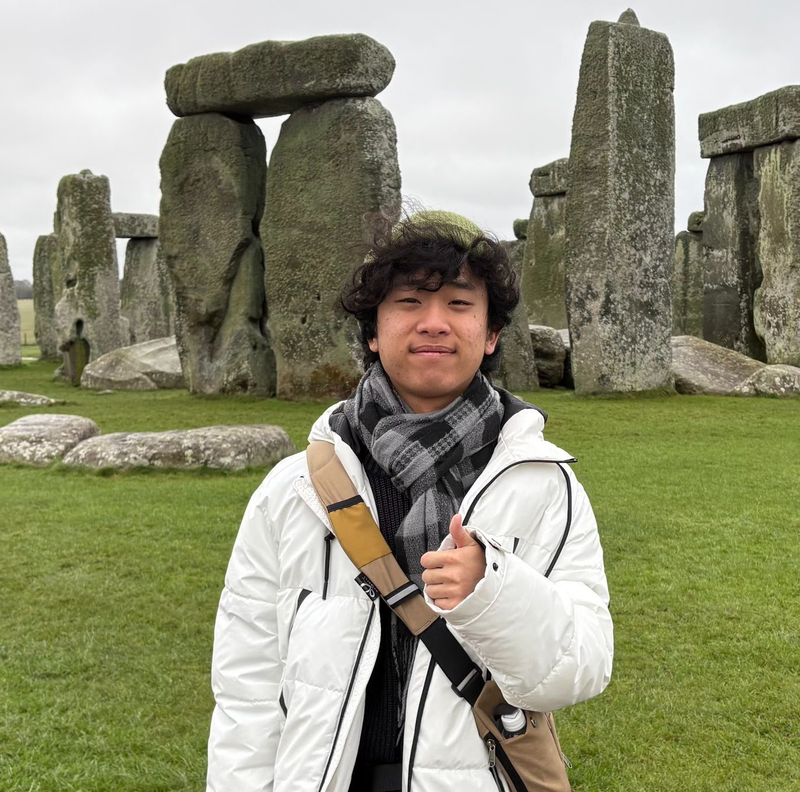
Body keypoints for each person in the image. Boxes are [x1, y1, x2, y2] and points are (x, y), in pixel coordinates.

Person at [206, 211, 613, 792]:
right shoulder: (292, 492)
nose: (433, 323)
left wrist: (493, 591)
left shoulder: (545, 487)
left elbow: (581, 668)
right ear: (373, 330)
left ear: (492, 333)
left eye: (458, 304)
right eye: (408, 302)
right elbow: (247, 685)